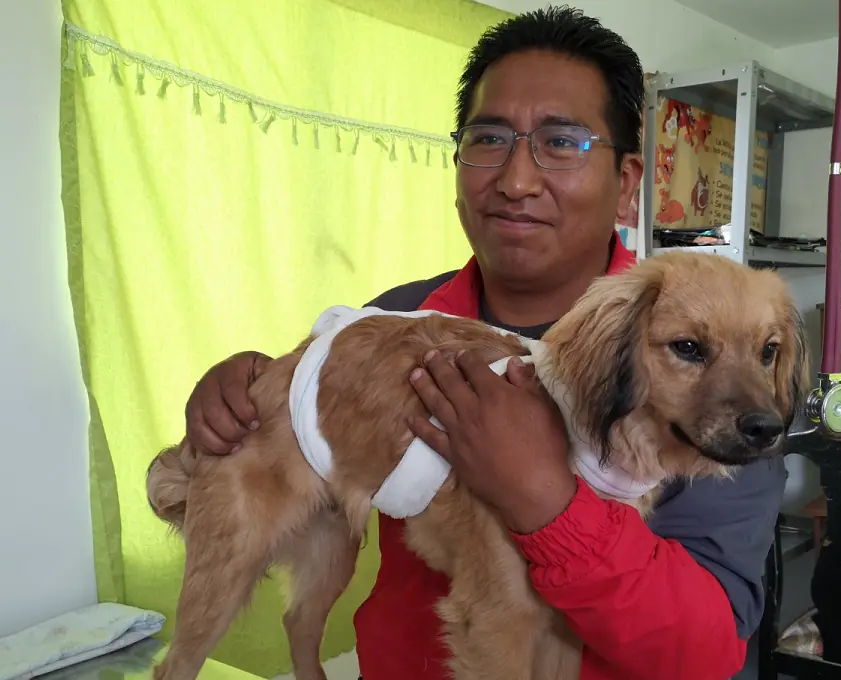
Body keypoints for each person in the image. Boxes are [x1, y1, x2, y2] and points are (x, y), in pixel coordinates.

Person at [183, 6, 786, 680]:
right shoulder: (395, 316)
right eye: (489, 138)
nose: (516, 180)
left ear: (625, 185)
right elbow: (283, 454)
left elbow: (704, 652)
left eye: (562, 141)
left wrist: (545, 499)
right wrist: (235, 398)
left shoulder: (726, 396)